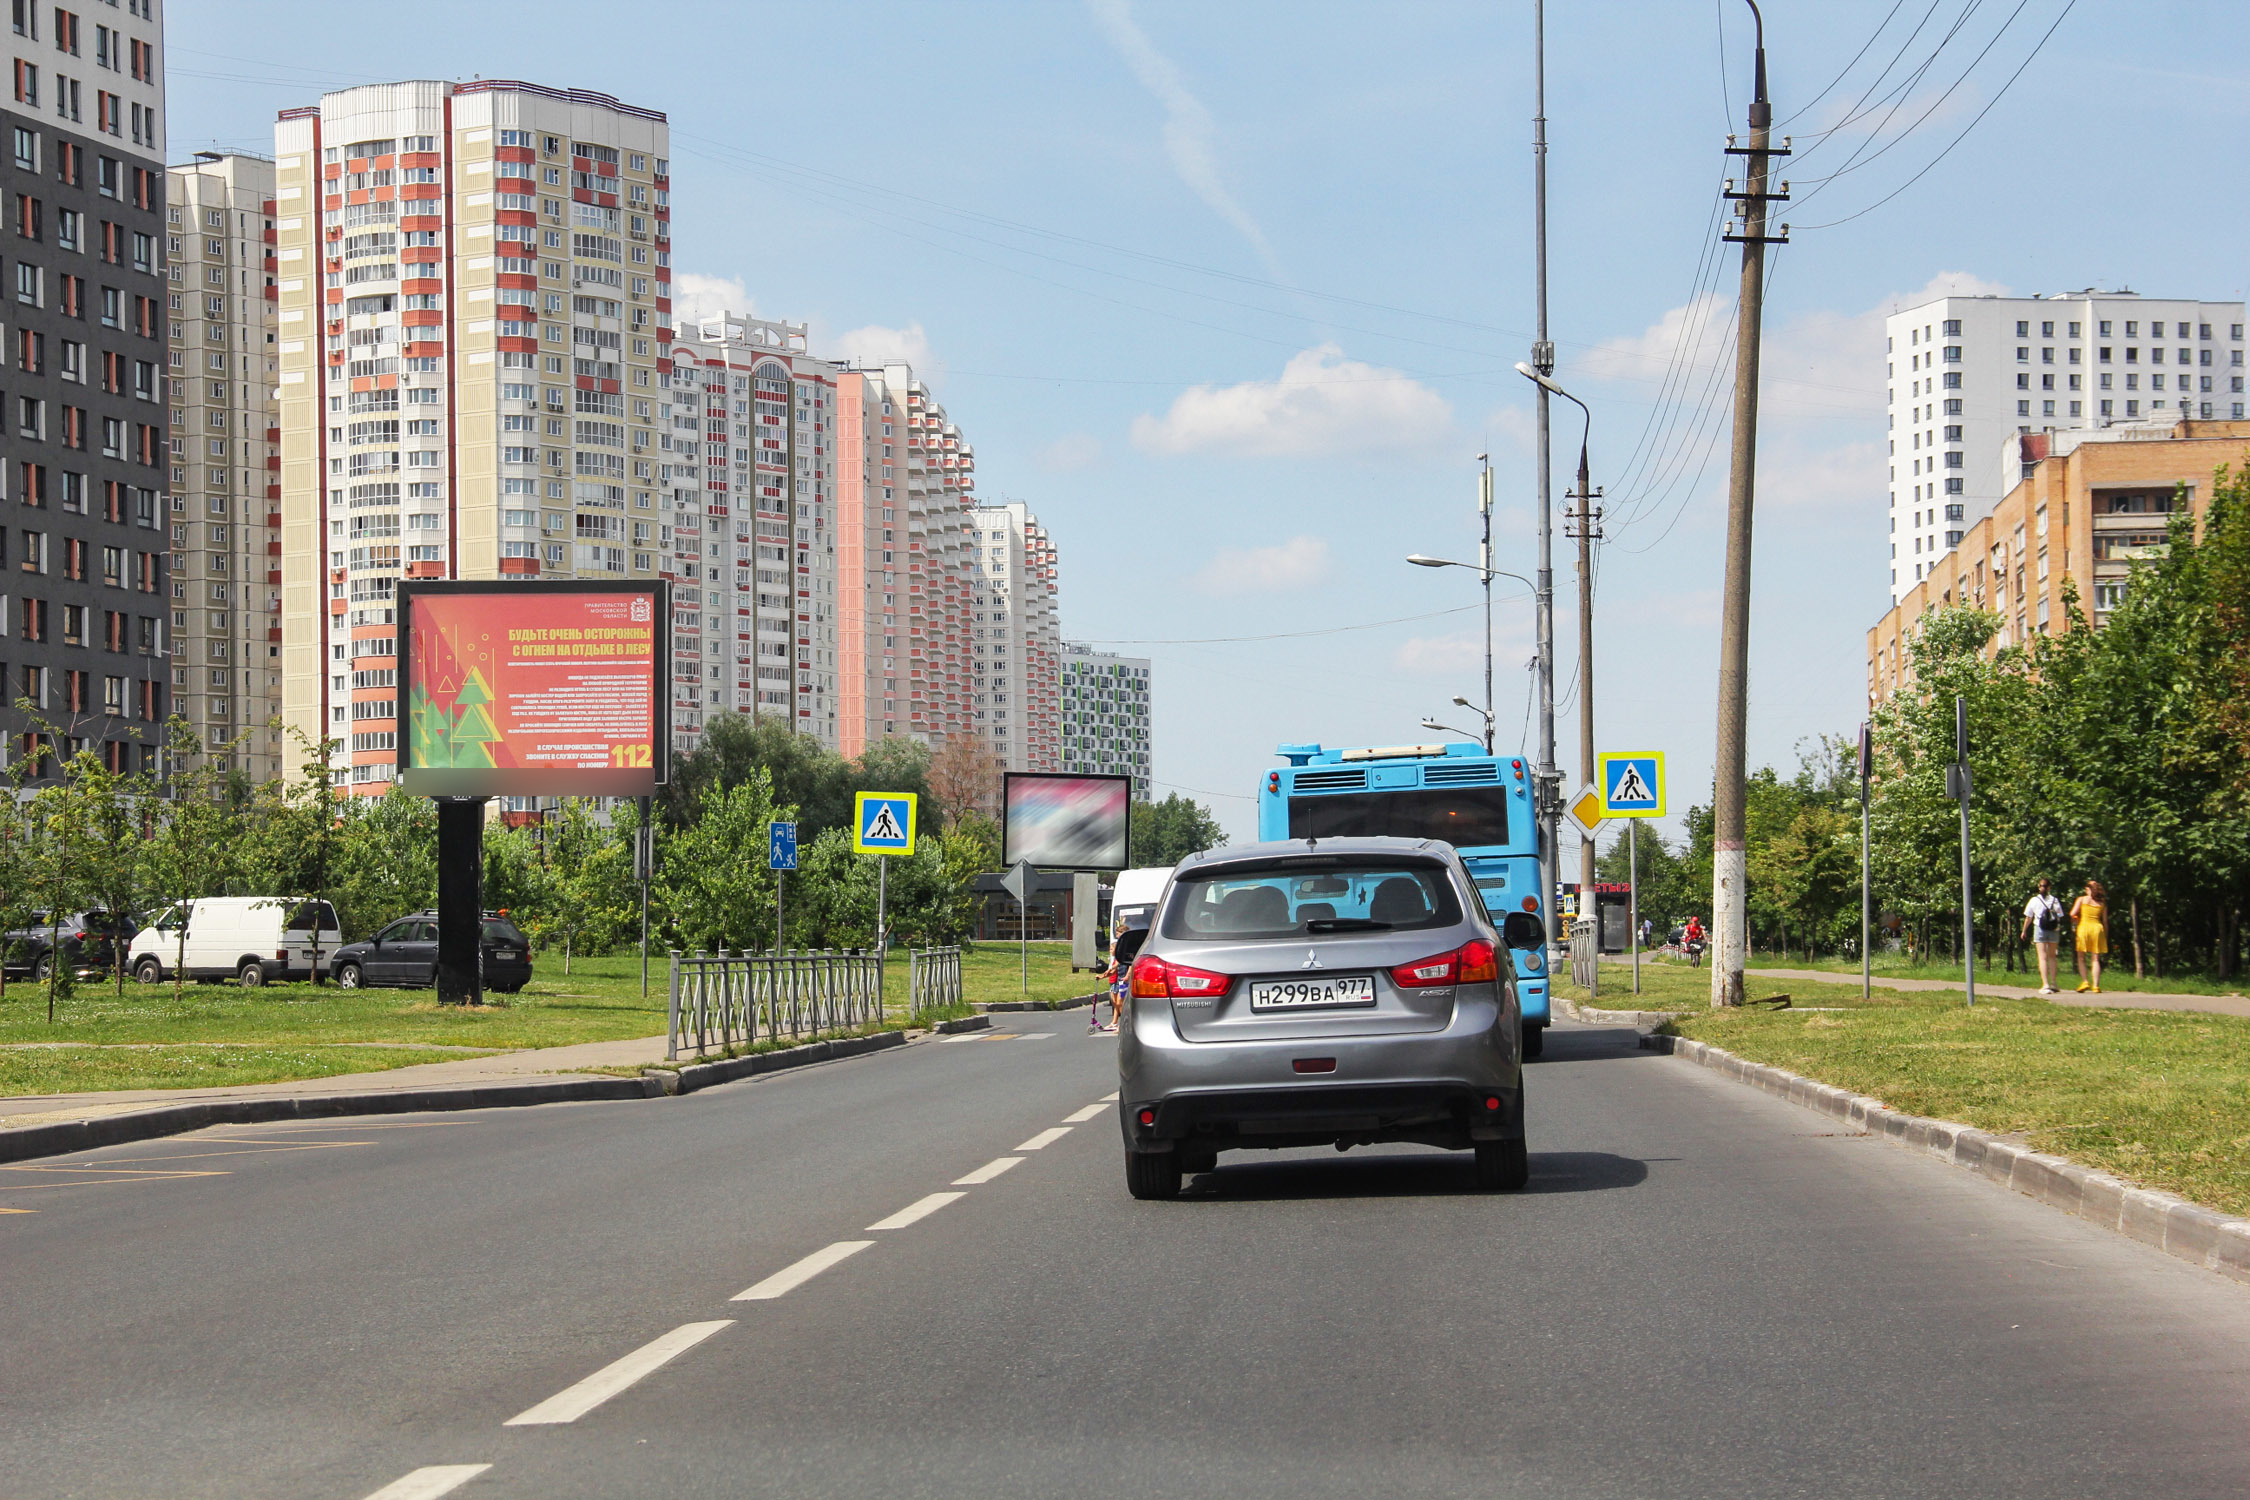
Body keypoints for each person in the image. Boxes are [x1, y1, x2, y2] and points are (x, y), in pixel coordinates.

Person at [2020, 878, 2066, 995]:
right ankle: (2054, 983)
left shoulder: (2034, 900)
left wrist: (2024, 931)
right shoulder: (2055, 900)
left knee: (2042, 957)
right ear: (2049, 887)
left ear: (2039, 887)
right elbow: (2060, 915)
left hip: (2039, 929)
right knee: (2052, 957)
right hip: (2054, 930)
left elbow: (2029, 917)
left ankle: (2045, 985)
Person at [2069, 879, 2109, 993]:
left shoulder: (2081, 900)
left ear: (2088, 889)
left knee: (2081, 957)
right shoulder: (2102, 903)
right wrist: (2105, 934)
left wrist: (2075, 922)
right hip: (2097, 928)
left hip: (2084, 928)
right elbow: (2105, 921)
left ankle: (2085, 981)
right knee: (2095, 958)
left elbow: (2072, 913)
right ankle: (2096, 986)